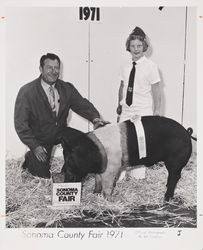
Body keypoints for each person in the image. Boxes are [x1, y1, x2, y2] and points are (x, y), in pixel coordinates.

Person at [14, 53, 109, 178]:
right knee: (43, 177)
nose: (54, 72)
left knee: (84, 142)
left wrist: (95, 118)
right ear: (41, 69)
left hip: (60, 131)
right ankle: (30, 158)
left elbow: (81, 104)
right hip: (40, 137)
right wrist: (34, 146)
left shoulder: (66, 88)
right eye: (49, 67)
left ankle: (67, 171)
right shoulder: (27, 91)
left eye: (56, 68)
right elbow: (20, 124)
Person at [117, 26, 162, 180]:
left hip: (143, 111)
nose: (136, 49)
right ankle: (121, 175)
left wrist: (156, 112)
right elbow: (122, 86)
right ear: (128, 47)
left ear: (144, 47)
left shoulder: (151, 67)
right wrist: (119, 105)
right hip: (126, 110)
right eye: (133, 46)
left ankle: (138, 177)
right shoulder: (125, 66)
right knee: (122, 142)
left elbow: (157, 90)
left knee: (139, 143)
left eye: (139, 46)